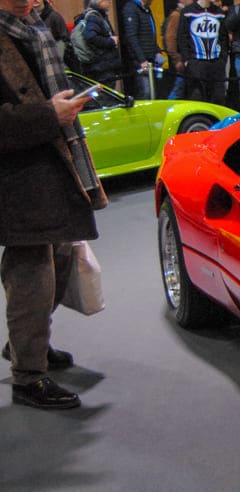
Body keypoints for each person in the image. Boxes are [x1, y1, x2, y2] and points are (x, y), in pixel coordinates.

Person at [1, 0, 107, 409]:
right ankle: (29, 377)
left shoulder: (34, 29)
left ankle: (26, 346)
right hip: (16, 178)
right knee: (31, 272)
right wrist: (49, 115)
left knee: (61, 255)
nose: (28, 1)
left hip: (50, 164)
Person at [178, 0, 227, 104]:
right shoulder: (187, 11)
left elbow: (223, 38)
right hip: (196, 62)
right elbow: (182, 37)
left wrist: (223, 59)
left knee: (218, 98)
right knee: (197, 98)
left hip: (216, 63)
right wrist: (187, 59)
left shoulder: (219, 13)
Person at [120, 0, 163, 100]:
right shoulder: (131, 8)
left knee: (152, 92)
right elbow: (132, 37)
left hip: (150, 58)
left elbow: (150, 35)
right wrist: (142, 60)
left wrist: (157, 51)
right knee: (145, 91)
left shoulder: (146, 9)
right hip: (140, 60)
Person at [81, 0, 122, 88]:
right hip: (101, 67)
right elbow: (90, 37)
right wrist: (111, 41)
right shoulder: (94, 17)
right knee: (106, 97)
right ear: (99, 2)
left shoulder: (99, 16)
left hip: (103, 66)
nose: (110, 2)